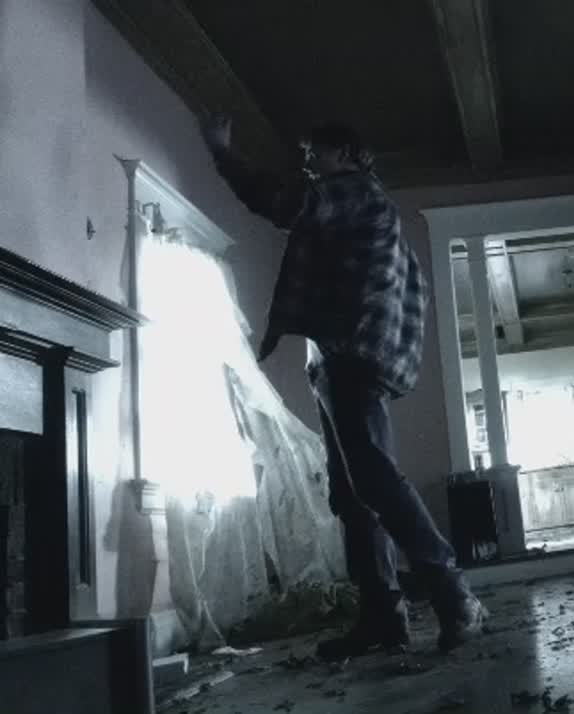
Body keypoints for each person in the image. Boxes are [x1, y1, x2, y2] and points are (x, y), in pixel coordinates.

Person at [200, 116, 486, 659]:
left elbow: (283, 202)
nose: (309, 162)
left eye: (318, 152)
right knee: (352, 494)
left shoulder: (355, 191)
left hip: (351, 357)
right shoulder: (363, 203)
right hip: (338, 358)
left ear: (348, 154)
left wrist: (222, 153)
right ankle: (384, 616)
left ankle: (455, 596)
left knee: (374, 480)